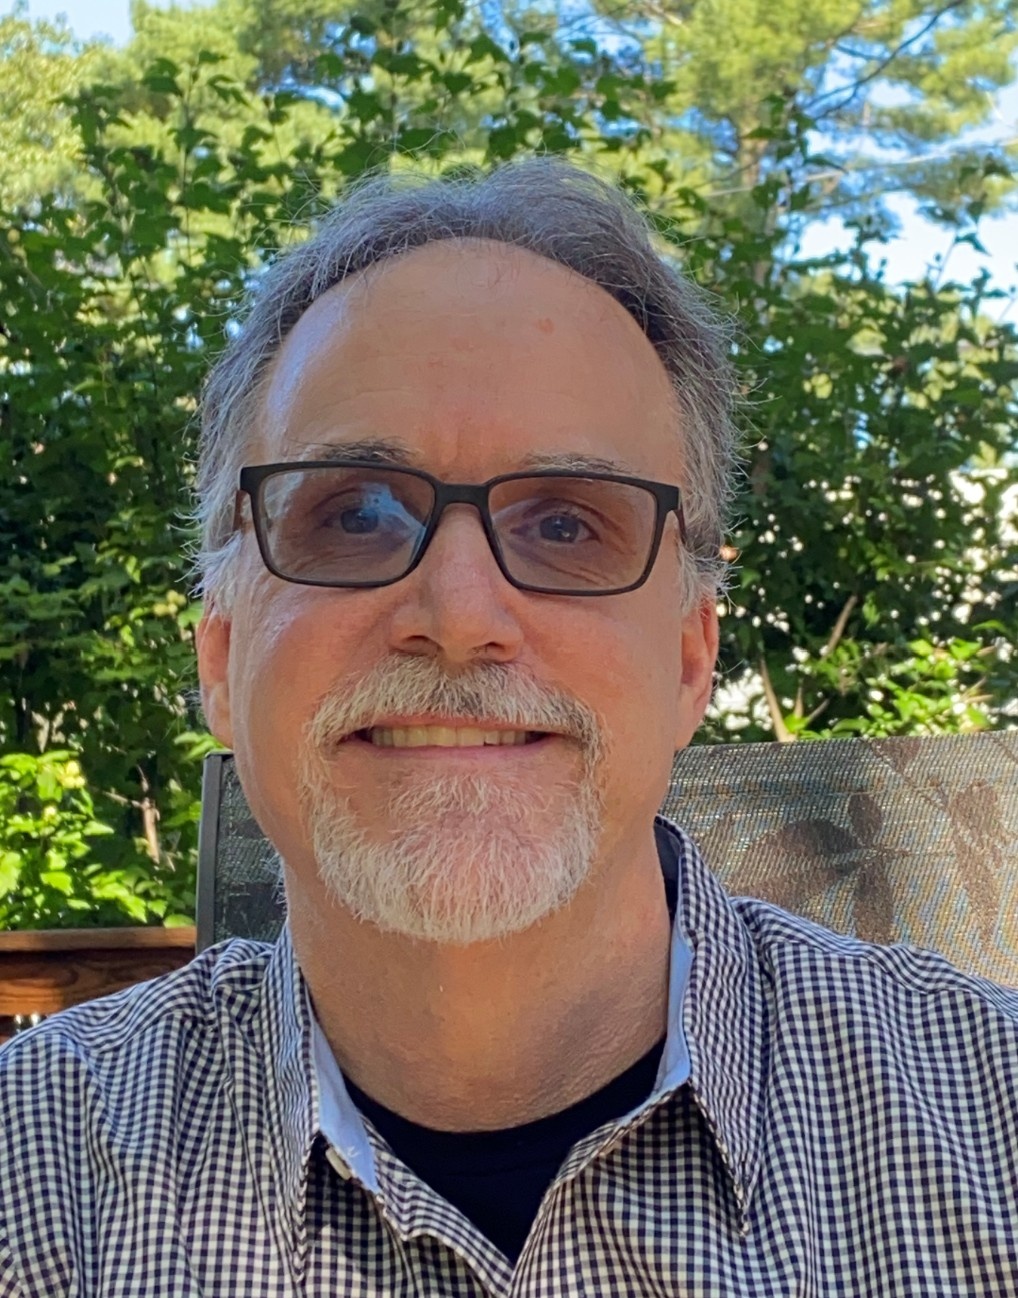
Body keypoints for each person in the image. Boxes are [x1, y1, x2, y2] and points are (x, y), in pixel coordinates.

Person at [1, 159, 1017, 1298]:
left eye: (568, 525)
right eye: (355, 514)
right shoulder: (33, 1168)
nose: (459, 616)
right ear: (223, 660)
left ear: (690, 659)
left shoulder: (996, 1122)